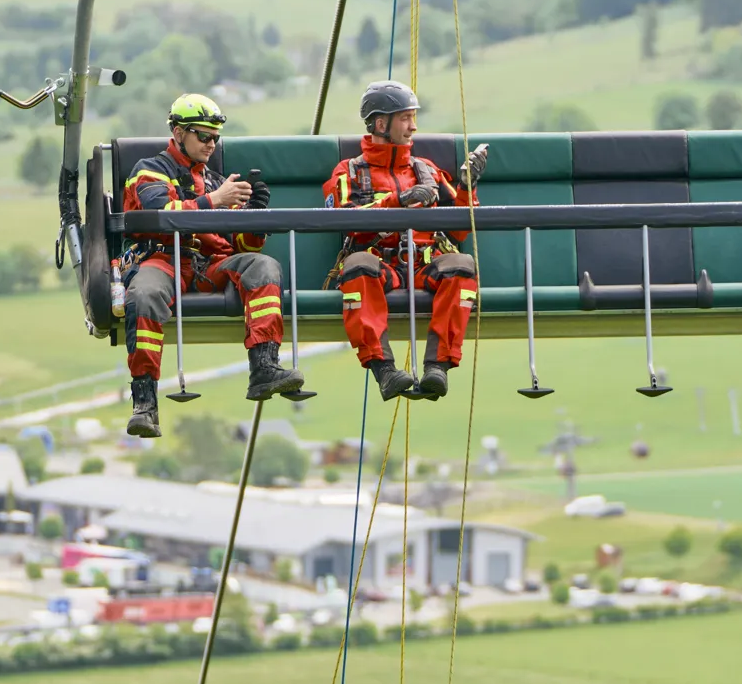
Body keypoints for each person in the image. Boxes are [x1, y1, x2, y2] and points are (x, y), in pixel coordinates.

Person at [120, 92, 302, 438]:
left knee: (263, 266)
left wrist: (254, 221)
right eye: (203, 135)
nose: (211, 144)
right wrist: (213, 201)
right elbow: (160, 217)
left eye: (215, 137)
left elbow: (240, 245)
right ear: (178, 133)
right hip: (162, 258)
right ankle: (144, 402)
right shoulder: (149, 171)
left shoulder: (219, 182)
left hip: (210, 264)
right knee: (143, 296)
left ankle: (264, 366)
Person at [324, 81, 485, 402]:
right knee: (357, 268)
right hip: (379, 266)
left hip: (426, 265)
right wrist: (397, 201)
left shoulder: (427, 170)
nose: (414, 126)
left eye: (413, 117)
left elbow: (458, 233)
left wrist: (467, 187)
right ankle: (384, 369)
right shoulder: (348, 172)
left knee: (462, 266)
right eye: (406, 118)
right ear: (381, 123)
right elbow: (344, 221)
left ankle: (437, 367)